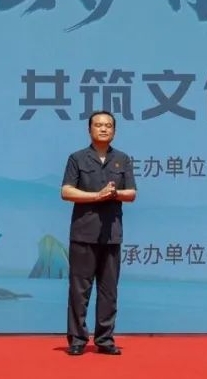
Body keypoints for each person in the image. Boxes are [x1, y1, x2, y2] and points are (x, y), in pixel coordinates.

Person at [60, 111, 137, 356]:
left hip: (111, 235)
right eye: (98, 125)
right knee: (79, 290)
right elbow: (66, 191)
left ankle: (105, 339)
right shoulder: (77, 158)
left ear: (114, 130)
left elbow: (131, 193)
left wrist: (114, 194)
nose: (103, 129)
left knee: (108, 290)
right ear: (89, 129)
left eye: (108, 125)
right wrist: (96, 196)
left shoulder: (122, 159)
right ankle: (77, 340)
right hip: (83, 233)